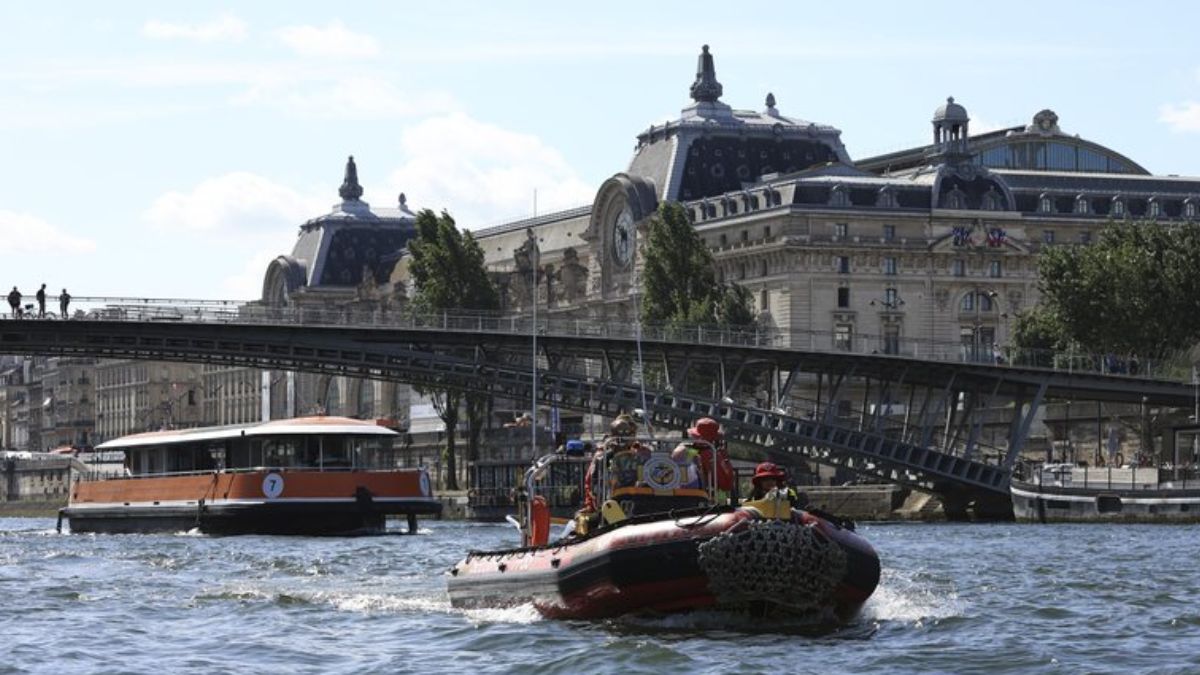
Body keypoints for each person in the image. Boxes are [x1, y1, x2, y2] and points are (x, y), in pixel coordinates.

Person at [671, 417, 735, 503]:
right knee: (721, 494)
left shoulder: (683, 449)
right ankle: (722, 505)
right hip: (702, 496)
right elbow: (725, 484)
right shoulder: (710, 453)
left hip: (680, 493)